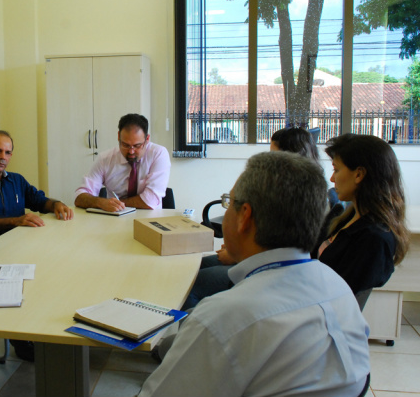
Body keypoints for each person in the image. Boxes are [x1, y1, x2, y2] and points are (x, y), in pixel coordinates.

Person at [139, 151, 370, 397]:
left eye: (229, 202)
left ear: (244, 216)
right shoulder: (338, 288)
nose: (226, 210)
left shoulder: (222, 318)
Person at [182, 127, 321, 310]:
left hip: (268, 269)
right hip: (256, 259)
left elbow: (278, 250)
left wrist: (238, 256)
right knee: (191, 268)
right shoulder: (297, 189)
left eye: (274, 156)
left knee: (192, 284)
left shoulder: (296, 198)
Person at [314, 133, 409, 294]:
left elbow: (339, 299)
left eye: (336, 170)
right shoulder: (348, 217)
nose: (331, 178)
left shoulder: (372, 239)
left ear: (359, 174)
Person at [0, 130, 74, 247]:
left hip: (18, 242)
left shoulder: (17, 180)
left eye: (7, 152)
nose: (3, 157)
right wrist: (16, 221)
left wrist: (55, 204)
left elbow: (38, 201)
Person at [74, 113, 170, 212]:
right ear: (119, 136)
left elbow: (150, 201)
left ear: (147, 139)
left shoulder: (158, 154)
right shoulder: (105, 159)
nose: (131, 151)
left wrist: (117, 204)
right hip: (114, 219)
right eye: (125, 145)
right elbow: (79, 197)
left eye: (137, 146)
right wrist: (101, 203)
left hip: (149, 219)